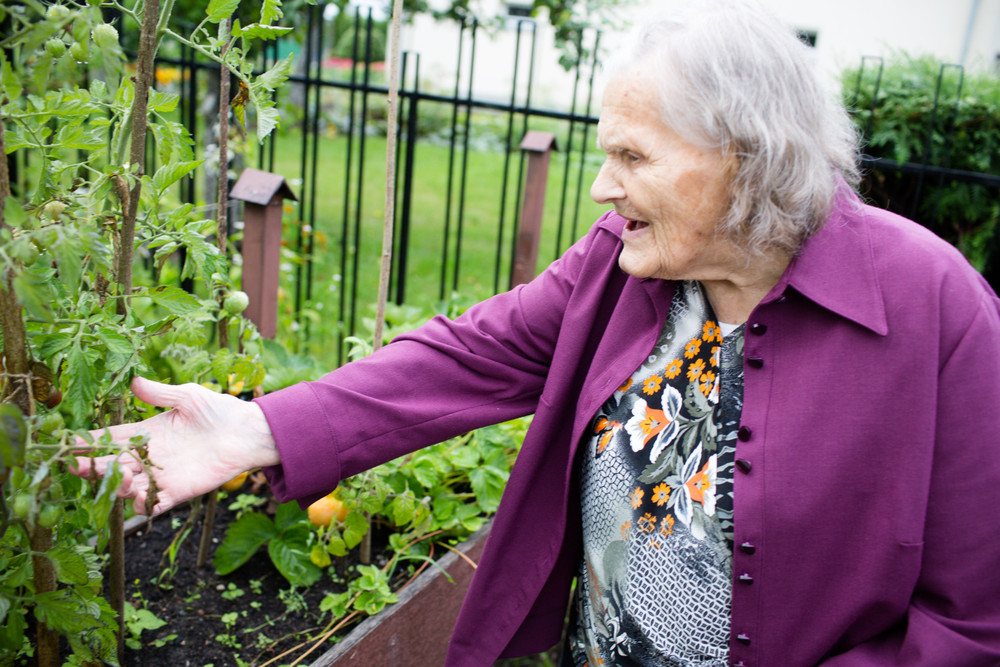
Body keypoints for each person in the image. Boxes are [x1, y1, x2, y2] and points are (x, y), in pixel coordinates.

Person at [73, 1, 1000, 665]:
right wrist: (256, 428)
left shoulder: (938, 310)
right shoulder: (624, 262)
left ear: (748, 162)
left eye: (633, 156)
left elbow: (970, 624)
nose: (603, 185)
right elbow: (469, 352)